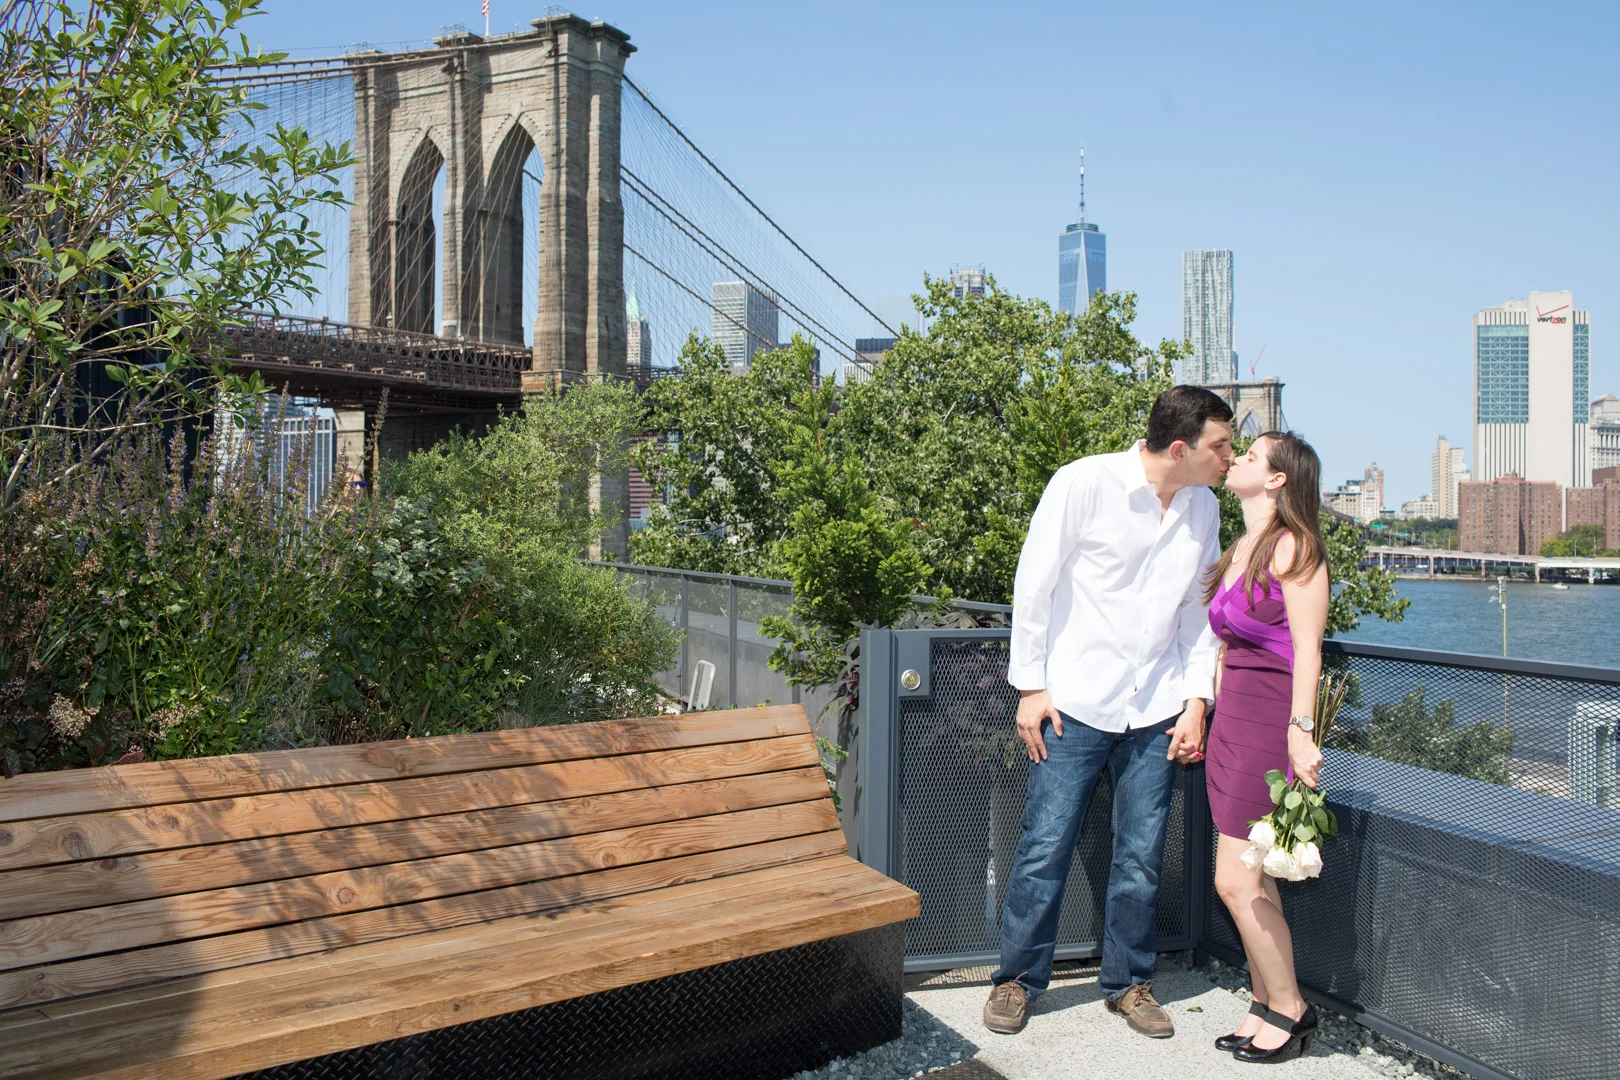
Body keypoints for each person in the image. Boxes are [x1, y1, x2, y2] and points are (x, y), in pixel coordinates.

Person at [983, 386, 1234, 1040]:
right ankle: (1016, 979)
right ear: (1179, 448)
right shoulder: (1083, 483)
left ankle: (1129, 983)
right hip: (1073, 702)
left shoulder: (1204, 508)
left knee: (1142, 855)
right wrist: (1030, 687)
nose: (1229, 458)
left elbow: (1198, 614)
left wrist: (1196, 700)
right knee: (1044, 845)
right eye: (1220, 446)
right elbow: (1034, 584)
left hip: (1156, 707)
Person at [1203, 431, 1330, 1063]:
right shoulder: (1243, 545)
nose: (1236, 459)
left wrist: (1301, 731)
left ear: (1277, 479)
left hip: (1269, 724)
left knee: (1234, 880)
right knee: (1251, 875)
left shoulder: (1295, 546)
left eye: (1250, 456)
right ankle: (1263, 1002)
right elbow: (1225, 646)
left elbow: (1309, 650)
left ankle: (1292, 1009)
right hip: (1231, 721)